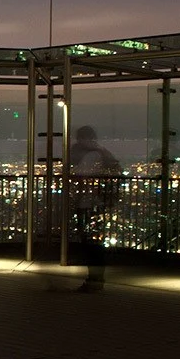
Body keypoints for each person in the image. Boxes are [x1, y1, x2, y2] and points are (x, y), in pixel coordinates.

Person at [70, 125, 120, 291]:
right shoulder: (104, 153)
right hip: (99, 205)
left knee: (90, 244)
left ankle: (94, 279)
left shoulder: (89, 156)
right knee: (95, 243)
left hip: (87, 204)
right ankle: (96, 278)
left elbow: (80, 175)